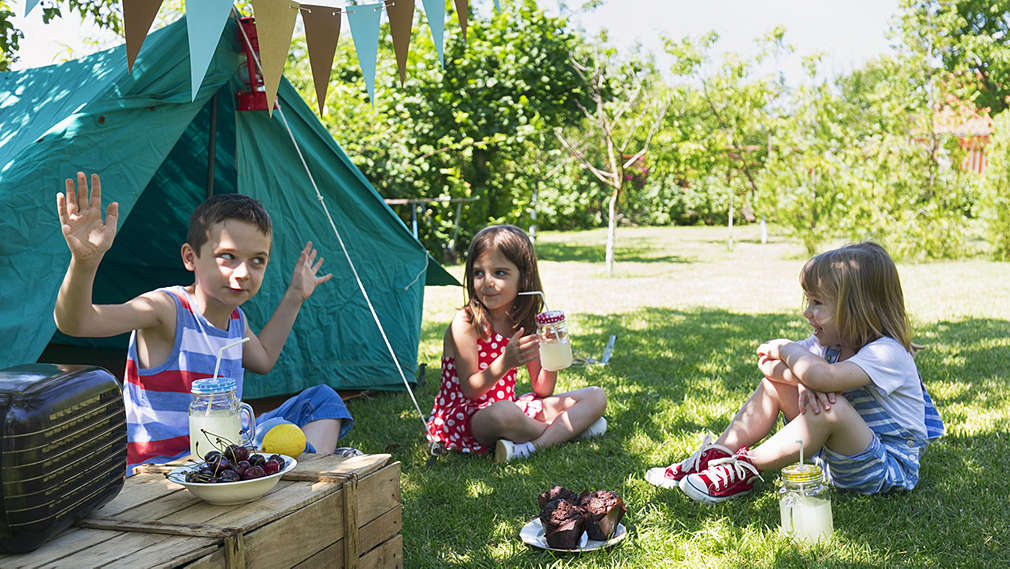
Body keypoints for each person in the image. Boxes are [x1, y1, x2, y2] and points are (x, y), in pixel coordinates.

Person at [54, 172, 354, 474]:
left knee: (322, 400)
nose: (243, 273)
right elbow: (78, 323)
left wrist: (295, 296)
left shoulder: (236, 319)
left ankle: (306, 465)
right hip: (167, 468)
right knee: (271, 432)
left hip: (225, 452)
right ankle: (306, 466)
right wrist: (84, 262)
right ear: (190, 257)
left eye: (257, 260)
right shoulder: (167, 309)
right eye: (228, 257)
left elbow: (263, 359)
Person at [645, 242, 944, 502]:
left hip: (884, 469)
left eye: (818, 302)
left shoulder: (887, 353)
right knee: (775, 386)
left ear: (857, 308)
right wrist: (803, 381)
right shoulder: (828, 345)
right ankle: (719, 453)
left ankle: (746, 467)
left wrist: (788, 350)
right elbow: (767, 364)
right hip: (835, 461)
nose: (807, 312)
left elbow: (820, 377)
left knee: (831, 408)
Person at [425, 225, 607, 462]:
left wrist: (552, 354)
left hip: (510, 407)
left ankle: (529, 446)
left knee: (596, 396)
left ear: (523, 278)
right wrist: (505, 362)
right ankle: (569, 431)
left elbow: (542, 389)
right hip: (466, 416)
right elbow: (470, 389)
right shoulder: (467, 321)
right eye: (479, 273)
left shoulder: (522, 321)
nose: (487, 282)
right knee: (504, 412)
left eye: (500, 273)